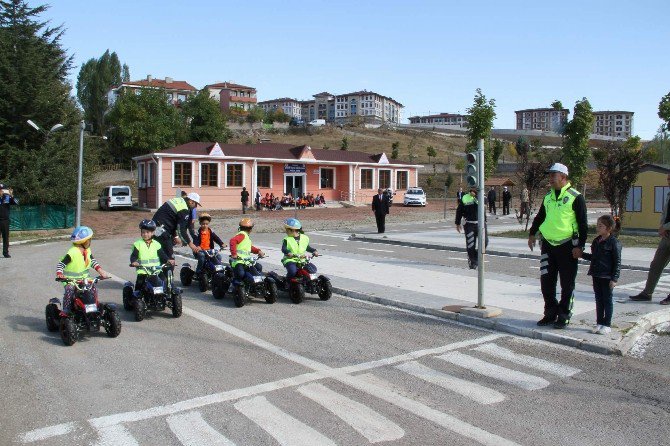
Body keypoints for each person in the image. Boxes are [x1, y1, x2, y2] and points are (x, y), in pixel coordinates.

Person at [528, 163, 588, 329]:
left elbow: (583, 224)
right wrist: (532, 234)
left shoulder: (576, 197)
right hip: (548, 244)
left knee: (567, 284)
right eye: (550, 175)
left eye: (553, 175)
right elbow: (540, 216)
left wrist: (580, 246)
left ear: (563, 177)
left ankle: (564, 315)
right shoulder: (548, 196)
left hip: (567, 245)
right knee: (546, 282)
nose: (550, 178)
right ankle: (550, 313)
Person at [630, 173, 670, 305]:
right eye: (668, 179)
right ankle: (647, 293)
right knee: (656, 264)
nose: (668, 182)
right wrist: (661, 226)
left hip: (667, 230)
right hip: (667, 236)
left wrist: (664, 226)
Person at [55, 226, 111, 315]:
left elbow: (92, 261)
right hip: (71, 280)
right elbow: (61, 264)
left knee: (93, 289)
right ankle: (67, 309)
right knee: (69, 290)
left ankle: (93, 308)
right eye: (89, 240)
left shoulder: (87, 250)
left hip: (85, 279)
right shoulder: (72, 252)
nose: (90, 242)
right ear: (83, 241)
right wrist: (59, 273)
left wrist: (100, 271)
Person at [581, 215, 622, 334]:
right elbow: (594, 257)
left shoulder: (614, 243)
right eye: (597, 225)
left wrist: (614, 278)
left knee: (607, 300)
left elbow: (617, 262)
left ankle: (607, 324)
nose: (597, 228)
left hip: (607, 276)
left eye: (600, 226)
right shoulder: (596, 241)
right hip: (596, 274)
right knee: (598, 300)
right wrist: (581, 255)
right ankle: (599, 323)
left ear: (609, 228)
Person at [152, 192, 201, 260]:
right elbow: (181, 229)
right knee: (170, 258)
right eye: (196, 204)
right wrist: (191, 244)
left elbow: (172, 219)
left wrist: (175, 236)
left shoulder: (180, 201)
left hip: (156, 226)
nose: (196, 207)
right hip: (161, 230)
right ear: (191, 201)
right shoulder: (183, 209)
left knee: (160, 252)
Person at [129, 219, 172, 292]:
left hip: (156, 270)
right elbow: (134, 256)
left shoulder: (156, 244)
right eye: (143, 232)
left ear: (152, 233)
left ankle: (164, 296)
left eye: (147, 232)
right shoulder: (138, 244)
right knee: (139, 283)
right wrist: (134, 262)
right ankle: (136, 299)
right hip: (143, 270)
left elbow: (162, 255)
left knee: (164, 280)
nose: (145, 234)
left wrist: (168, 260)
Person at [455, 186, 488, 269]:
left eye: (475, 189)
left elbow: (483, 204)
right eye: (472, 189)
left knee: (485, 242)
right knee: (470, 245)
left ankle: (476, 257)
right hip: (469, 224)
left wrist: (476, 196)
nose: (473, 190)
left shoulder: (482, 196)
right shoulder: (465, 197)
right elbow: (459, 211)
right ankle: (473, 262)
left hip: (481, 224)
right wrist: (457, 223)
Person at [229, 218, 265, 289]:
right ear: (250, 229)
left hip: (246, 261)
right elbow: (232, 241)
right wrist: (234, 254)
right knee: (240, 273)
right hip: (238, 261)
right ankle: (233, 284)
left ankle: (255, 283)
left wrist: (258, 251)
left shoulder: (246, 237)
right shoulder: (242, 235)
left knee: (258, 267)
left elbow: (250, 248)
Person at [0, 184, 17, 258]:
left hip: (5, 221)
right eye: (0, 189)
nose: (1, 191)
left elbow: (16, 203)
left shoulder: (7, 197)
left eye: (2, 189)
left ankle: (5, 253)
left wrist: (11, 195)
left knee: (5, 237)